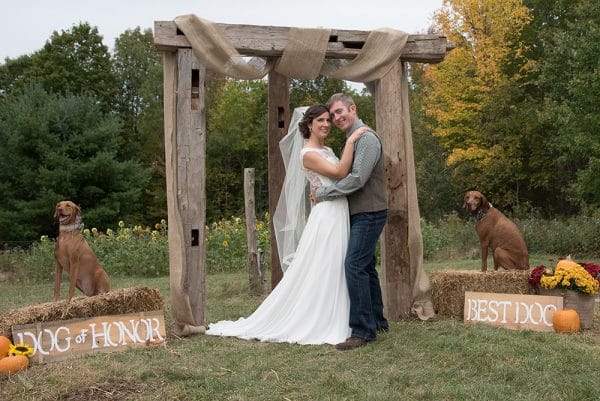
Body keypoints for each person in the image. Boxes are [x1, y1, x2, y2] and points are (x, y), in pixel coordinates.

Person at [205, 104, 368, 345]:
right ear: (309, 125)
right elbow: (339, 172)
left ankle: (343, 316)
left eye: (328, 120)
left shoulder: (327, 149)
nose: (326, 124)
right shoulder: (307, 154)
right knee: (326, 264)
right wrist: (352, 140)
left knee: (336, 264)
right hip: (327, 215)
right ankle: (321, 318)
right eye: (320, 120)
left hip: (338, 210)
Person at [312, 93, 388, 351]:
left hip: (370, 212)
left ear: (352, 109)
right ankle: (377, 321)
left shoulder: (366, 138)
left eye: (340, 112)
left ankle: (362, 331)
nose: (336, 118)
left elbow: (357, 179)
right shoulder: (352, 139)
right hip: (360, 212)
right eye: (333, 115)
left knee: (354, 265)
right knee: (365, 266)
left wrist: (324, 193)